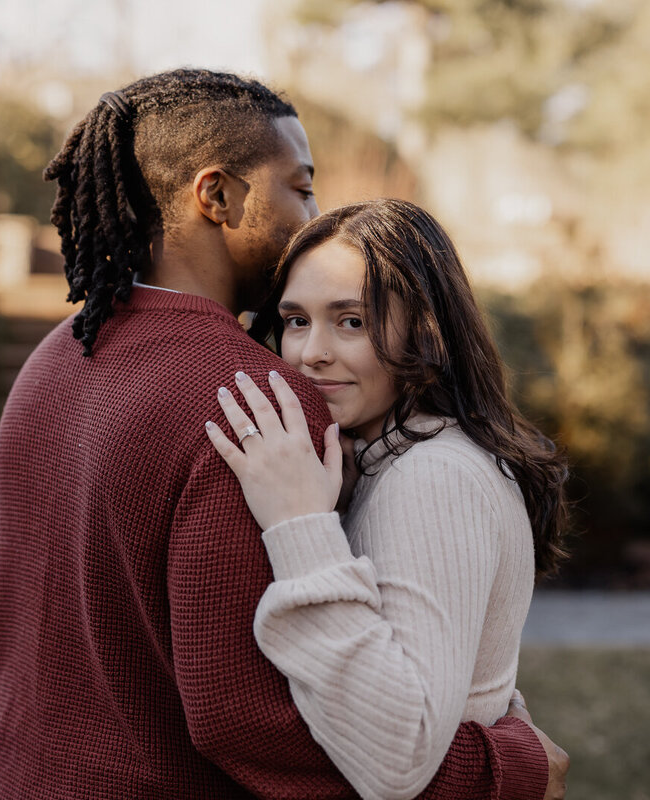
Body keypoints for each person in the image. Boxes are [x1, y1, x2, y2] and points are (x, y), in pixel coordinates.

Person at [0, 69, 567, 800]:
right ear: (217, 196)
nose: (310, 215)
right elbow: (250, 719)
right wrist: (504, 770)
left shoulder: (59, 354)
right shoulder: (254, 401)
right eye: (301, 187)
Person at [206, 199, 571, 799]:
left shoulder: (436, 476)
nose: (310, 353)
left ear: (426, 332)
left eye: (351, 321)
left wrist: (299, 524)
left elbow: (400, 756)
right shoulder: (384, 459)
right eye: (296, 320)